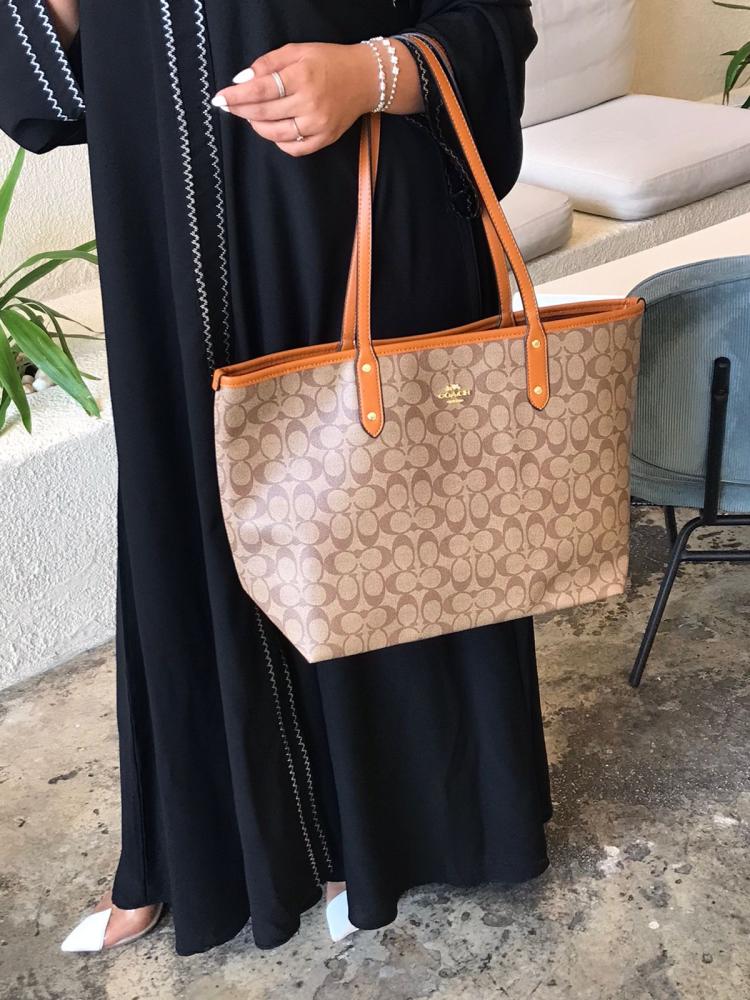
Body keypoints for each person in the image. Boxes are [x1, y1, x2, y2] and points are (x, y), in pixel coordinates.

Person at [0, 0, 550, 956]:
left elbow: (491, 19)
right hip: (168, 242)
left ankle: (391, 834)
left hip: (356, 220)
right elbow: (50, 89)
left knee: (372, 519)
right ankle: (206, 847)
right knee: (197, 508)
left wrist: (371, 75)